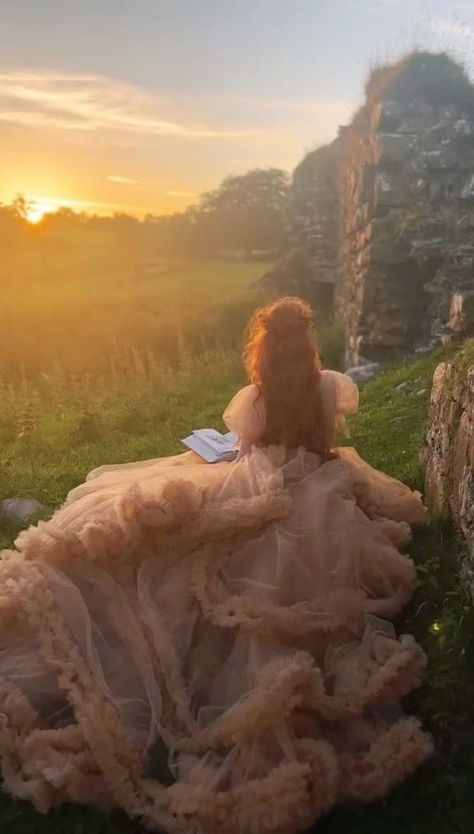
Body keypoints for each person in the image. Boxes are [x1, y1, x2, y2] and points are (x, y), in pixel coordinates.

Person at [0, 297, 432, 834]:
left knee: (233, 557)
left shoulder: (258, 397)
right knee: (265, 548)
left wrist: (243, 456)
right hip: (307, 481)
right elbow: (320, 451)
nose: (295, 368)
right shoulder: (320, 388)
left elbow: (251, 448)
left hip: (273, 480)